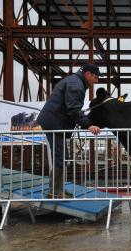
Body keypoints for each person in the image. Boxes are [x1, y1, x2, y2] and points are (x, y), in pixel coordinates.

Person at [37, 64, 101, 199]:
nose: (96, 81)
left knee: (62, 155)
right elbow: (73, 109)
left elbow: (71, 107)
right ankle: (54, 191)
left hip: (55, 121)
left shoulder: (74, 81)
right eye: (95, 77)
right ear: (88, 74)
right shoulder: (76, 85)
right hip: (54, 122)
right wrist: (89, 125)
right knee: (60, 156)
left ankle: (58, 189)